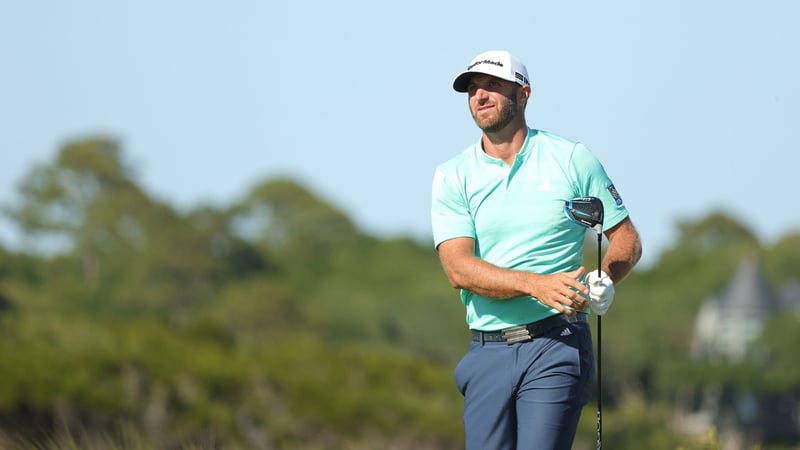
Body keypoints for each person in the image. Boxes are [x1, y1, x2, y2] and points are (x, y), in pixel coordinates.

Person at [430, 50, 642, 450]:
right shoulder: (452, 175)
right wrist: (534, 285)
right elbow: (458, 268)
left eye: (493, 86)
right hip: (486, 349)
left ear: (523, 94)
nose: (481, 96)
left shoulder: (571, 159)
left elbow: (626, 237)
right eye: (473, 89)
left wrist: (605, 276)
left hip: (556, 343)